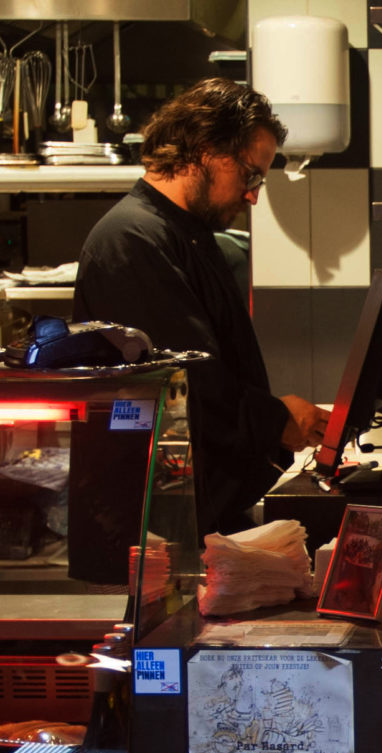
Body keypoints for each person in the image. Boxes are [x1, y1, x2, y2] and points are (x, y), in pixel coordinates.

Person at [73, 79, 324, 536]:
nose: (253, 195)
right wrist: (276, 420)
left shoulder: (184, 233)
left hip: (190, 510)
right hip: (152, 529)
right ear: (208, 150)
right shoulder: (131, 239)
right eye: (251, 175)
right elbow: (184, 381)